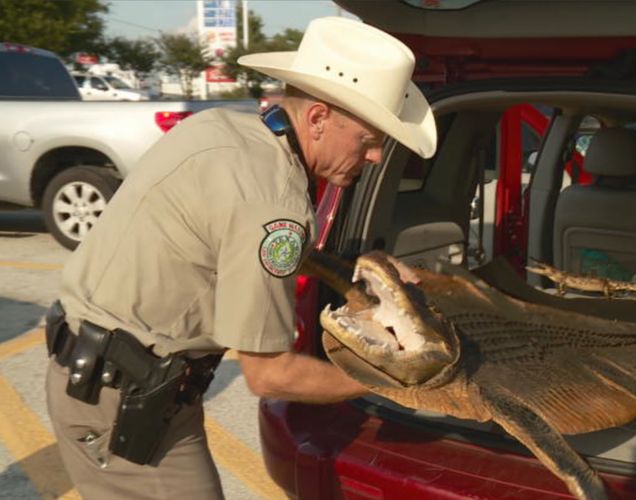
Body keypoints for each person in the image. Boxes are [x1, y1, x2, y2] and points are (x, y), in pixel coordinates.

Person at [44, 16, 437, 499]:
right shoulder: (276, 206)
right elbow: (270, 374)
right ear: (317, 118)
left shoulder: (226, 128)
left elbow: (234, 238)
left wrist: (354, 275)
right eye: (369, 140)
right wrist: (394, 382)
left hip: (104, 378)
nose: (376, 157)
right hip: (122, 405)